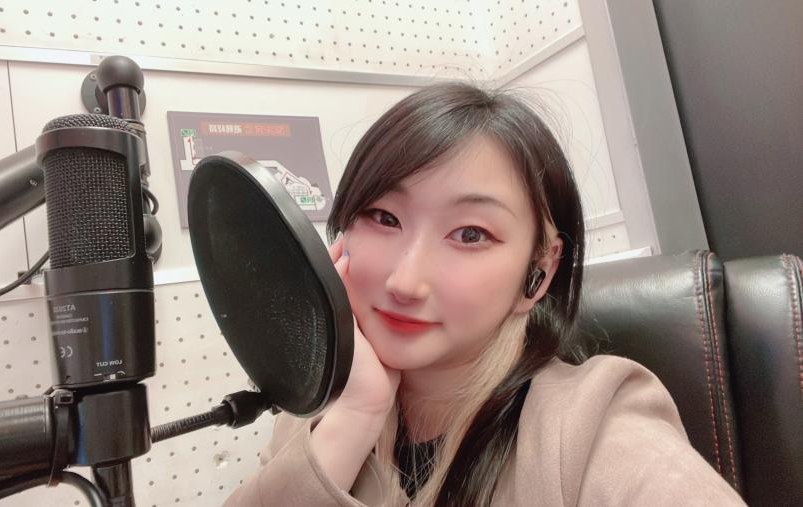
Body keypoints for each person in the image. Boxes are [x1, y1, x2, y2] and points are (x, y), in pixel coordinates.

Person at [224, 82, 746, 506]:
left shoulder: (591, 429)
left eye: (471, 234)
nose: (405, 282)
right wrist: (355, 416)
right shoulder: (315, 413)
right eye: (383, 217)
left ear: (538, 273)